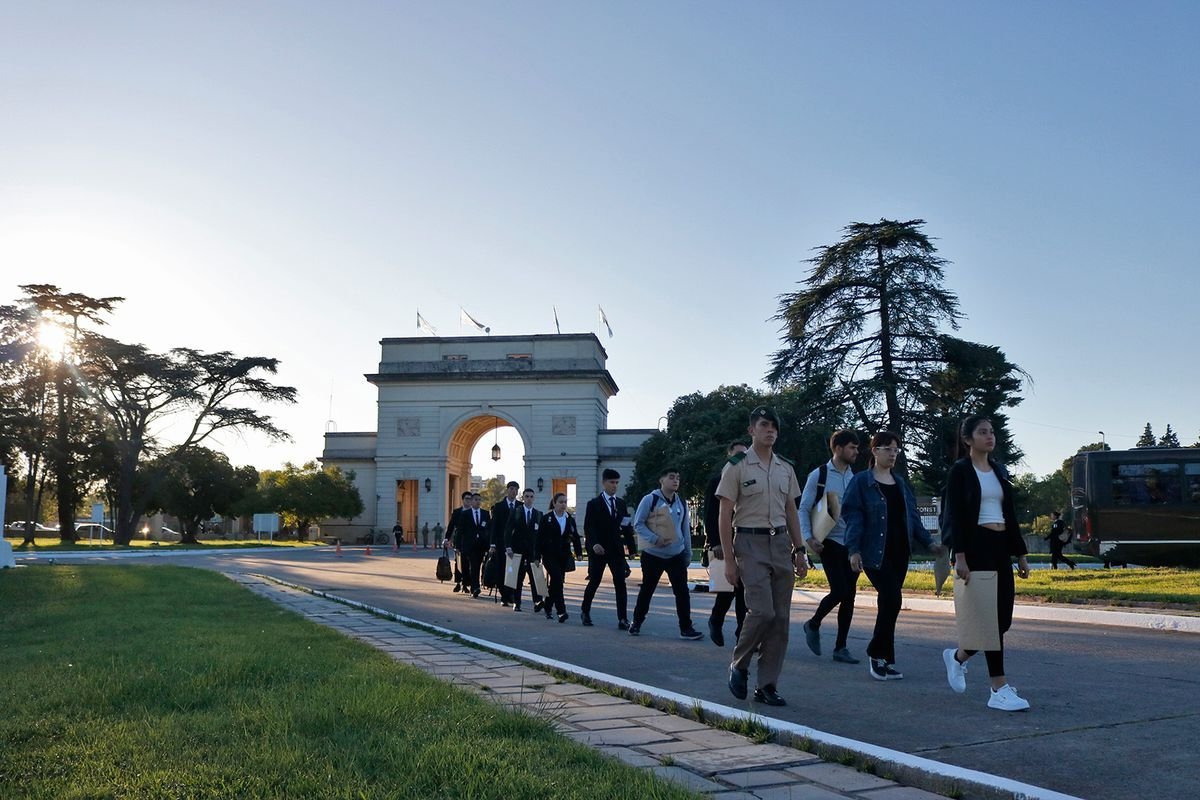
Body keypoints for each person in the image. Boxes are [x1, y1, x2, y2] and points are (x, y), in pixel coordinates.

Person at [716, 406, 807, 707]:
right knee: (762, 612)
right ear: (751, 430)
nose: (770, 431)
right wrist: (729, 560)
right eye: (764, 425)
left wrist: (800, 550)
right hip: (749, 543)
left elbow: (791, 511)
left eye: (774, 427)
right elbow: (724, 513)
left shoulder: (785, 467)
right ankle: (739, 664)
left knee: (780, 620)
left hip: (780, 544)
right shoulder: (737, 465)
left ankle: (767, 685)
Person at [941, 415, 1032, 712]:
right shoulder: (960, 472)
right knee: (990, 622)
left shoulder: (998, 470)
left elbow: (1011, 514)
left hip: (1000, 546)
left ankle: (958, 657)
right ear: (968, 439)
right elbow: (954, 514)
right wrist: (961, 555)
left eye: (992, 432)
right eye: (982, 432)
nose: (989, 437)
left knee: (1002, 620)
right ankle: (998, 688)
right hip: (976, 546)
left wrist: (1020, 554)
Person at [843, 431, 942, 682]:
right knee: (892, 598)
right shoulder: (861, 482)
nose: (893, 453)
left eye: (896, 449)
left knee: (890, 604)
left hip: (900, 554)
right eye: (887, 448)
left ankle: (884, 659)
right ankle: (876, 654)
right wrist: (853, 550)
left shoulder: (900, 484)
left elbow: (913, 519)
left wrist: (930, 543)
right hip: (875, 553)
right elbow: (853, 517)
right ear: (874, 451)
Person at [798, 429, 861, 664]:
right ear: (838, 448)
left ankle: (841, 647)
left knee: (850, 596)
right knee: (840, 589)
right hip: (829, 542)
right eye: (852, 447)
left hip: (852, 543)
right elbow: (804, 508)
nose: (856, 451)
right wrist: (809, 538)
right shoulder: (820, 475)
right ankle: (813, 623)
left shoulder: (855, 477)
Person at [629, 468, 704, 640]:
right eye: (671, 477)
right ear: (661, 480)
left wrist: (687, 553)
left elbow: (685, 529)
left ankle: (686, 628)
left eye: (678, 478)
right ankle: (636, 622)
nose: (675, 481)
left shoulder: (681, 503)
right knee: (647, 590)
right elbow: (638, 524)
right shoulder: (651, 499)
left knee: (682, 592)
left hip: (675, 555)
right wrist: (654, 539)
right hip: (653, 555)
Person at [704, 441, 748, 647]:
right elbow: (711, 514)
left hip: (746, 541)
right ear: (729, 455)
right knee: (727, 588)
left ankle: (742, 634)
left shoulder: (748, 478)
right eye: (737, 454)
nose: (741, 457)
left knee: (743, 591)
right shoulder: (717, 480)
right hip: (723, 542)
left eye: (744, 454)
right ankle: (716, 619)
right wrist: (715, 542)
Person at [581, 469, 637, 629]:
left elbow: (626, 526)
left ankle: (622, 619)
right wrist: (594, 544)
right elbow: (589, 527)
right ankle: (585, 612)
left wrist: (632, 549)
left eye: (617, 482)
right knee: (595, 581)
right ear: (604, 483)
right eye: (612, 482)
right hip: (599, 550)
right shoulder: (593, 504)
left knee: (620, 583)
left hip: (616, 550)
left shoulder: (620, 503)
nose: (615, 486)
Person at [538, 492, 582, 622]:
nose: (563, 505)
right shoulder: (547, 518)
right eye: (561, 502)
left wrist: (579, 553)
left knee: (556, 583)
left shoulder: (569, 519)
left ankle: (547, 607)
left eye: (565, 502)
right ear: (554, 503)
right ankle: (561, 611)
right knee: (557, 580)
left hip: (563, 555)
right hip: (549, 555)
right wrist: (536, 555)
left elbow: (575, 537)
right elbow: (539, 538)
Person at [503, 488, 544, 612]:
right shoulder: (516, 512)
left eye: (531, 496)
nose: (529, 499)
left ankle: (538, 601)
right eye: (527, 496)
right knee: (518, 576)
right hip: (517, 549)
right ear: (523, 498)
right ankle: (517, 602)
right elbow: (508, 530)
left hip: (533, 550)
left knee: (536, 577)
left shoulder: (538, 514)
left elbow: (541, 535)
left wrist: (542, 550)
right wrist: (508, 547)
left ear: (534, 498)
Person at [489, 481, 522, 606]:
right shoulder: (499, 506)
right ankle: (504, 595)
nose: (514, 491)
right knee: (502, 569)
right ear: (507, 490)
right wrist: (492, 544)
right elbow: (494, 527)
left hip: (516, 544)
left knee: (513, 571)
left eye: (516, 489)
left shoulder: (520, 506)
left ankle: (511, 594)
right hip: (501, 543)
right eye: (512, 489)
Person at [456, 493, 491, 596]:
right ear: (471, 501)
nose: (478, 502)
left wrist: (489, 544)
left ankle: (474, 586)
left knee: (478, 565)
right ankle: (475, 587)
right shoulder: (465, 514)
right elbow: (460, 531)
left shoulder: (485, 514)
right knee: (473, 566)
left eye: (479, 500)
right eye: (476, 499)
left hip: (481, 545)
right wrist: (458, 546)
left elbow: (488, 529)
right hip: (469, 545)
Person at [442, 492, 473, 593]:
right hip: (459, 541)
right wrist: (447, 538)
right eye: (467, 499)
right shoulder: (457, 512)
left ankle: (466, 584)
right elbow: (451, 526)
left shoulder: (474, 512)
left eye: (470, 499)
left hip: (471, 542)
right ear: (463, 500)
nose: (468, 501)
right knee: (458, 562)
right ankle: (458, 583)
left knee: (468, 563)